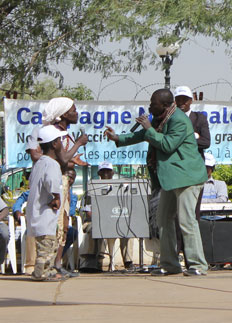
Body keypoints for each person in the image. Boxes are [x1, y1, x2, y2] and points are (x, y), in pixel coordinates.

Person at [105, 88, 208, 276]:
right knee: (162, 221)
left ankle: (198, 265)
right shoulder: (160, 119)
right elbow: (143, 136)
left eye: (153, 103)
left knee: (186, 221)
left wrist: (148, 128)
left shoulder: (179, 120)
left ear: (166, 105)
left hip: (187, 177)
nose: (150, 106)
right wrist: (117, 138)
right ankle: (170, 265)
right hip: (170, 179)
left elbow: (167, 144)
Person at [25, 97, 87, 277]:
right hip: (51, 187)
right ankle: (42, 268)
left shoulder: (63, 135)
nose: (77, 113)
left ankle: (56, 265)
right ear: (63, 114)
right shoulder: (45, 132)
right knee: (50, 228)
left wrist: (70, 166)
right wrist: (77, 146)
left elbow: (63, 159)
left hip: (63, 184)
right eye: (73, 110)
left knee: (63, 226)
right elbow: (48, 158)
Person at [25, 125, 66, 281]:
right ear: (54, 144)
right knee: (46, 245)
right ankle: (40, 272)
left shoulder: (39, 163)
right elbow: (51, 182)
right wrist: (56, 196)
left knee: (44, 244)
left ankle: (46, 271)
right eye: (60, 140)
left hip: (37, 210)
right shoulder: (52, 164)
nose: (61, 143)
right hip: (45, 211)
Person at [80, 161, 133, 271]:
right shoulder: (92, 188)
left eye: (108, 171)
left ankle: (128, 262)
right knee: (94, 229)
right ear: (99, 173)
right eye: (103, 171)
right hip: (96, 220)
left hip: (115, 220)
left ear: (112, 173)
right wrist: (102, 218)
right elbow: (88, 212)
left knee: (127, 229)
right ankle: (93, 262)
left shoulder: (119, 188)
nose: (105, 173)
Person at [174, 86, 210, 160]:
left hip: (195, 164)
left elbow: (206, 142)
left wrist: (179, 141)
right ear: (175, 101)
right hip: (176, 163)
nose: (181, 102)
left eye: (185, 99)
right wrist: (194, 138)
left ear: (191, 101)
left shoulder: (200, 118)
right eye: (178, 99)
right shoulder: (170, 119)